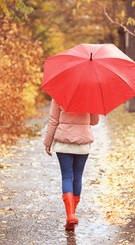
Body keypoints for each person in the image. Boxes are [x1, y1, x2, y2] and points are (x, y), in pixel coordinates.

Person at [44, 99, 99, 231]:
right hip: (83, 142)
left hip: (63, 143)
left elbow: (53, 120)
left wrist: (47, 142)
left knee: (67, 176)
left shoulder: (59, 95)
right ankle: (72, 215)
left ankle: (70, 216)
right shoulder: (90, 95)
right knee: (78, 176)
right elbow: (94, 121)